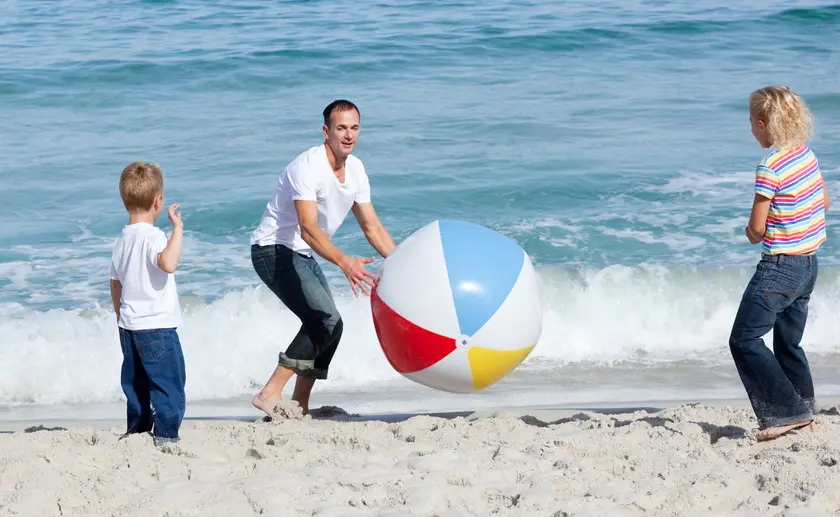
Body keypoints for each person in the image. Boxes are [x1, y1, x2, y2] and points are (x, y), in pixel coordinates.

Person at [249, 99, 397, 416]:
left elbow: (372, 227)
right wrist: (345, 262)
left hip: (301, 252)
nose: (348, 135)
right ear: (326, 131)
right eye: (341, 128)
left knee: (333, 326)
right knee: (322, 320)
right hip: (272, 250)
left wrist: (402, 262)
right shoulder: (307, 167)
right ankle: (269, 393)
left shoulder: (355, 170)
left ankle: (299, 404)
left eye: (354, 128)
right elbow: (308, 228)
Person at [729, 85, 831, 442]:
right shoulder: (806, 155)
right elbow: (825, 202)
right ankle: (804, 407)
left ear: (762, 123)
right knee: (788, 343)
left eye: (751, 124)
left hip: (780, 268)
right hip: (808, 265)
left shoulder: (770, 166)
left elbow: (757, 228)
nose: (751, 130)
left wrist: (750, 231)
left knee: (744, 339)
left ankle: (786, 414)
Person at [109, 161, 187, 444]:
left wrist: (119, 314)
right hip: (157, 326)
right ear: (158, 201)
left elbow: (115, 282)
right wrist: (177, 230)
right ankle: (166, 435)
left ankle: (138, 429)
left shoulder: (122, 239)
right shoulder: (153, 236)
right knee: (169, 384)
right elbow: (167, 263)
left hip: (129, 326)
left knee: (136, 384)